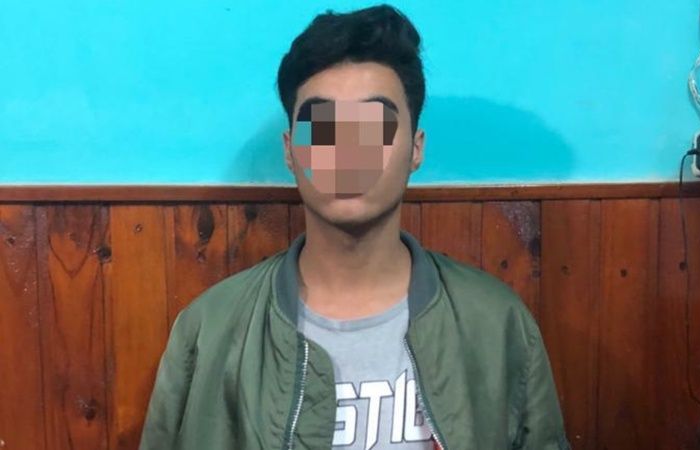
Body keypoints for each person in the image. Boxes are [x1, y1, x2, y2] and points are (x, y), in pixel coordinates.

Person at [139, 4, 569, 449]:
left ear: (416, 148)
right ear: (289, 151)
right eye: (322, 129)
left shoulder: (497, 324)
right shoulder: (209, 330)